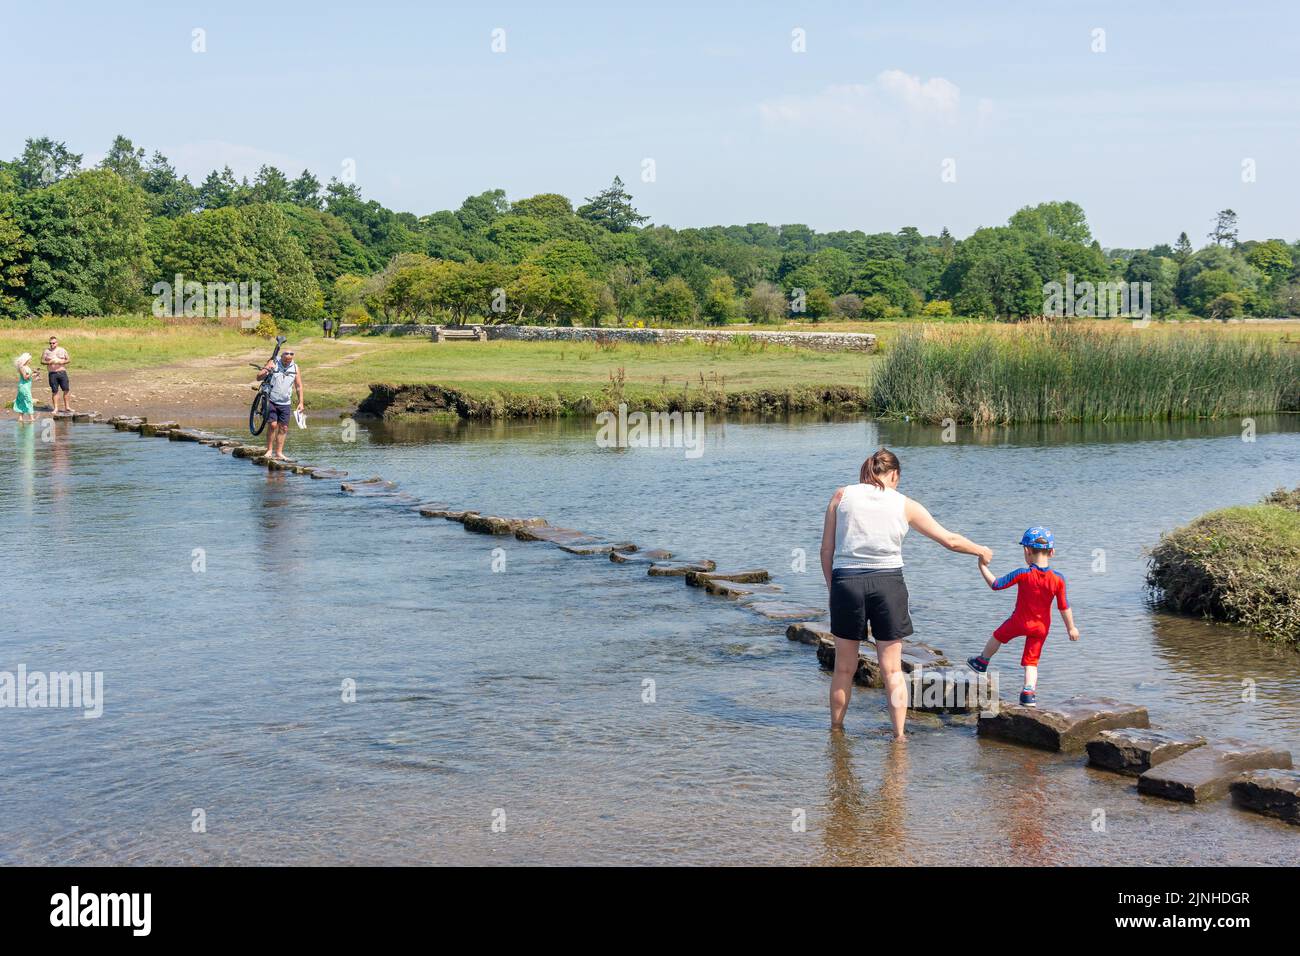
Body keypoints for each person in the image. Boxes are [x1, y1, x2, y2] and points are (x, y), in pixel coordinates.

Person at [821, 448, 992, 740]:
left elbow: (826, 550)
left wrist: (834, 589)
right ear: (895, 474)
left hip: (846, 582)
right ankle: (899, 735)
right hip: (888, 585)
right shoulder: (904, 504)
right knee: (892, 671)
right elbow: (949, 540)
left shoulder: (841, 496)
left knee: (844, 668)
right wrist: (981, 550)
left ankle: (836, 731)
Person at [967, 527, 1079, 707]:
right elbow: (1063, 606)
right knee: (1032, 661)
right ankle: (1028, 693)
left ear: (1027, 551)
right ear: (1052, 552)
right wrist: (1071, 628)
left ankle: (982, 661)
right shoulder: (1059, 579)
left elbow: (996, 584)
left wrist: (982, 566)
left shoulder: (1023, 573)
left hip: (1019, 621)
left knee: (998, 636)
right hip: (1041, 627)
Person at [256, 347, 304, 461]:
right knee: (272, 425)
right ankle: (269, 450)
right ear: (281, 356)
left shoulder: (295, 367)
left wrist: (301, 402)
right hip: (270, 399)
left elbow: (298, 386)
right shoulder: (273, 362)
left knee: (284, 428)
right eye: (285, 359)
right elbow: (258, 377)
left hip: (285, 402)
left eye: (290, 359)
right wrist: (267, 369)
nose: (287, 361)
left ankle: (279, 453)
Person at [41, 335, 73, 414]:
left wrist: (63, 362)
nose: (52, 345)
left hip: (62, 372)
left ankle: (67, 407)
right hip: (52, 374)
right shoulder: (46, 351)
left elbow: (68, 359)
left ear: (57, 343)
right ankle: (55, 408)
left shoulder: (62, 350)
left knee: (66, 390)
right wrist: (49, 362)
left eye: (53, 343)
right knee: (54, 391)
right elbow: (42, 361)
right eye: (50, 343)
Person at [13, 353, 36, 423]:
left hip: (26, 386)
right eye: (29, 359)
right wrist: (32, 374)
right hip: (24, 386)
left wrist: (34, 374)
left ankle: (20, 418)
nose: (30, 360)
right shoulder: (22, 367)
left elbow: (28, 376)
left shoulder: (26, 366)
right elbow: (25, 377)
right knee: (29, 400)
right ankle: (32, 418)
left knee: (22, 400)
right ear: (26, 359)